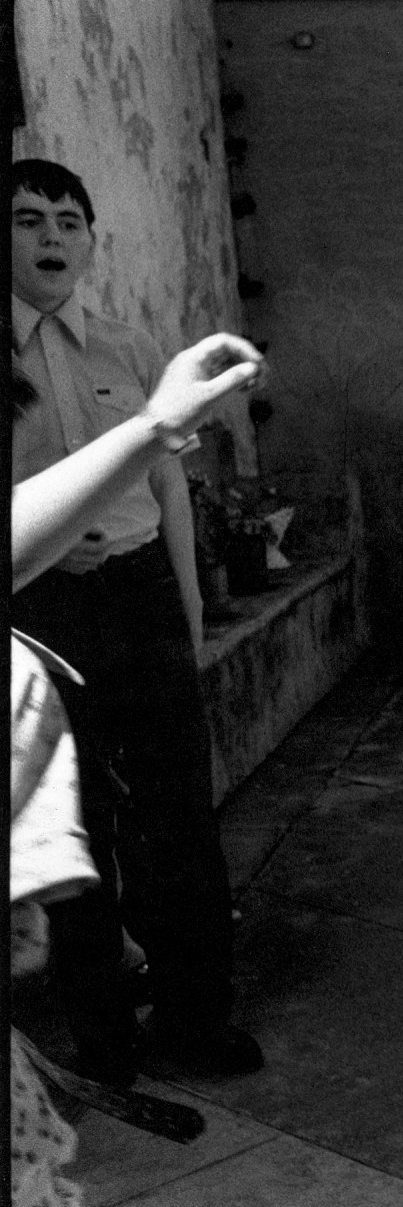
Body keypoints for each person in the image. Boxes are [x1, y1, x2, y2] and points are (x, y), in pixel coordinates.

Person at [10, 158, 265, 1085]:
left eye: (70, 222)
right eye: (29, 219)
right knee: (73, 822)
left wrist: (191, 607)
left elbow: (167, 485)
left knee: (177, 815)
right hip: (39, 609)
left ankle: (197, 1019)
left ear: (88, 241)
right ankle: (102, 1028)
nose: (51, 238)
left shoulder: (127, 345)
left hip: (141, 591)